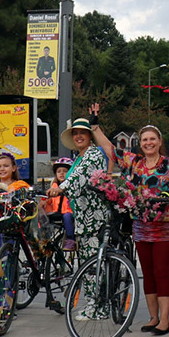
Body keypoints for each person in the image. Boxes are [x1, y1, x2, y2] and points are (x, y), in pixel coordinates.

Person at [91, 121, 169, 336]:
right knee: (147, 272)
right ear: (141, 143)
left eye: (152, 139)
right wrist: (95, 128)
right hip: (141, 225)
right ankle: (153, 317)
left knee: (161, 270)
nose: (149, 143)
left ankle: (165, 321)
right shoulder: (134, 163)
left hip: (166, 226)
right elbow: (110, 149)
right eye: (145, 140)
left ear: (159, 142)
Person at [48, 112, 111, 321]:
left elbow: (79, 177)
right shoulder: (80, 156)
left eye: (82, 133)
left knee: (93, 265)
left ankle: (98, 307)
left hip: (95, 217)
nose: (78, 137)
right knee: (87, 263)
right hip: (83, 217)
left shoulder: (93, 155)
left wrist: (61, 188)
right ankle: (93, 304)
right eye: (75, 134)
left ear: (90, 136)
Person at [0, 152, 31, 258]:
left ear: (13, 168)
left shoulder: (19, 185)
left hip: (12, 222)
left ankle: (11, 265)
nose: (2, 169)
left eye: (6, 166)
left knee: (11, 244)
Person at [44, 158, 76, 252]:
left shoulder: (72, 186)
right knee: (44, 217)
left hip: (69, 212)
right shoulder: (54, 186)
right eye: (59, 171)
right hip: (56, 211)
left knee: (67, 217)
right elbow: (49, 201)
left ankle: (71, 239)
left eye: (65, 171)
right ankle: (44, 239)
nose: (61, 173)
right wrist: (44, 201)